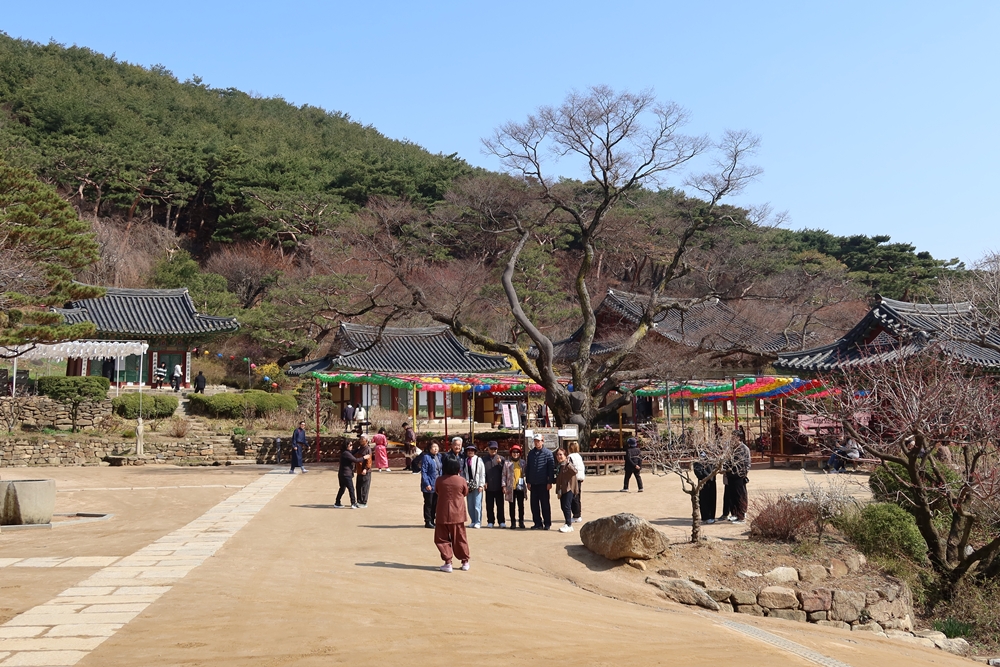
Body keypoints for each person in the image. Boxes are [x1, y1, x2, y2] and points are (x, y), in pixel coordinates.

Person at [434, 455, 470, 572]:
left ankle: (448, 562)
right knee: (460, 538)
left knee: (441, 538)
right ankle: (465, 561)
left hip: (443, 513)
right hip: (458, 513)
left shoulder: (439, 480)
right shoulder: (461, 480)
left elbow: (437, 491)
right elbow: (465, 492)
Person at [525, 433, 555, 530]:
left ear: (542, 441)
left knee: (545, 504)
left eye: (538, 441)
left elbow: (551, 469)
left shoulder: (548, 453)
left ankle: (547, 523)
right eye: (535, 441)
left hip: (543, 483)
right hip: (533, 483)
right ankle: (537, 523)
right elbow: (528, 468)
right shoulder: (531, 453)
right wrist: (528, 481)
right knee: (534, 505)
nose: (536, 443)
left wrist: (550, 482)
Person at [554, 448, 580, 533]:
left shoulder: (568, 464)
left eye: (561, 454)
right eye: (557, 455)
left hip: (569, 488)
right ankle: (568, 524)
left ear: (565, 455)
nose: (559, 456)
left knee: (566, 506)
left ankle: (568, 524)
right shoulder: (559, 465)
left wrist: (568, 463)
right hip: (562, 488)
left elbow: (574, 471)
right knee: (563, 506)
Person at [727, 439, 752, 524]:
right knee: (732, 495)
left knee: (740, 495)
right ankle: (734, 514)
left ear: (738, 438)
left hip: (739, 475)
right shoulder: (731, 448)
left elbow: (747, 463)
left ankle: (741, 515)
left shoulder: (744, 448)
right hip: (730, 475)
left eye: (734, 437)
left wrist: (743, 473)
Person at [503, 445, 528, 529]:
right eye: (514, 452)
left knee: (521, 505)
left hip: (520, 487)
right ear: (511, 453)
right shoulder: (507, 463)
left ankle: (521, 521)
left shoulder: (523, 463)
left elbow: (526, 473)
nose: (515, 454)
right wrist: (504, 486)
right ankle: (513, 522)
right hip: (511, 487)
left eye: (517, 452)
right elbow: (504, 475)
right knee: (512, 506)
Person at [482, 441, 506, 528]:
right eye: (491, 449)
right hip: (489, 486)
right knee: (489, 505)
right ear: (488, 449)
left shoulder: (502, 459)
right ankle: (490, 521)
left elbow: (505, 472)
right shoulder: (483, 460)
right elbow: (482, 473)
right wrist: (484, 481)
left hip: (499, 486)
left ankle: (501, 521)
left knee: (500, 505)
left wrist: (500, 463)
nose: (493, 450)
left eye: (495, 449)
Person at [335, 440, 363, 508]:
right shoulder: (346, 454)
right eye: (350, 445)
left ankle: (337, 502)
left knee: (342, 488)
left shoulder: (346, 452)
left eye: (352, 445)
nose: (351, 446)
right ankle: (353, 503)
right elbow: (355, 460)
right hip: (346, 474)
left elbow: (352, 452)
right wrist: (364, 458)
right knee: (351, 489)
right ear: (346, 446)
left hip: (342, 474)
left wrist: (358, 449)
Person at [463, 443, 485, 529]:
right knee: (470, 504)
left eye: (472, 450)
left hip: (477, 484)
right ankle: (473, 520)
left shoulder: (479, 460)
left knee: (477, 504)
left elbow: (482, 473)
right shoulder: (465, 461)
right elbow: (464, 473)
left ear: (475, 451)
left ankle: (478, 521)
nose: (470, 452)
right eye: (468, 450)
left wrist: (481, 485)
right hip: (469, 485)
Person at [420, 442, 442, 528]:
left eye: (437, 447)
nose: (436, 449)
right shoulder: (426, 457)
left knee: (435, 504)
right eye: (433, 447)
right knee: (429, 503)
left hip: (437, 484)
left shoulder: (439, 457)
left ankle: (433, 520)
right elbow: (424, 471)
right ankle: (428, 521)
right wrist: (427, 483)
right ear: (429, 448)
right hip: (429, 484)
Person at [693, 453, 717, 524]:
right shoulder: (697, 462)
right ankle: (706, 517)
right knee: (704, 500)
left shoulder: (711, 461)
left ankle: (711, 516)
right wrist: (707, 476)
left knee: (712, 499)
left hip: (712, 483)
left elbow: (715, 470)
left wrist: (711, 477)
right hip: (703, 483)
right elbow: (699, 473)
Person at [566, 441, 585, 522]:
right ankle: (578, 514)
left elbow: (569, 468)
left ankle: (576, 515)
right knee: (577, 496)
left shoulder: (570, 457)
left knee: (574, 497)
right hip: (579, 478)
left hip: (573, 479)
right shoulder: (579, 456)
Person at [354, 435, 372, 508]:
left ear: (366, 441)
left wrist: (366, 469)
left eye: (362, 439)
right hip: (359, 470)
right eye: (360, 439)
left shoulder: (368, 449)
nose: (360, 440)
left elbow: (369, 461)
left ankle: (363, 502)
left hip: (365, 471)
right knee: (358, 486)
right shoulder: (360, 448)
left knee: (364, 487)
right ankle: (359, 501)